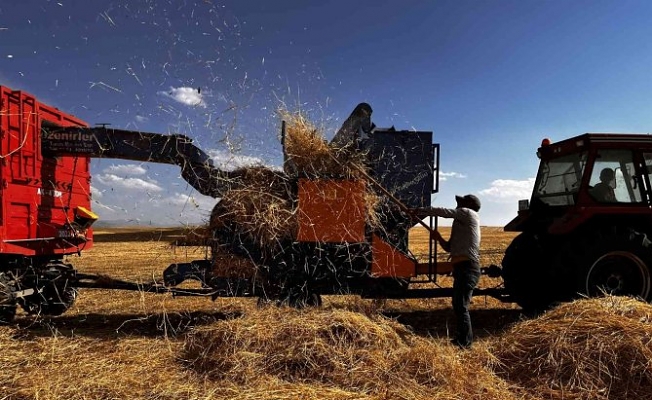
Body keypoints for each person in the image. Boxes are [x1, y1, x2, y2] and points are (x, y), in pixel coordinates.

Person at [419, 194, 481, 349]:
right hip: (462, 268)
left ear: (467, 205)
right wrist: (438, 237)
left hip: (468, 267)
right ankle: (462, 338)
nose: (458, 206)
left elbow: (444, 212)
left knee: (461, 305)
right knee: (458, 304)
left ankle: (466, 343)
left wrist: (419, 210)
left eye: (460, 204)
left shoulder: (469, 213)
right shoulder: (462, 224)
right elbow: (448, 247)